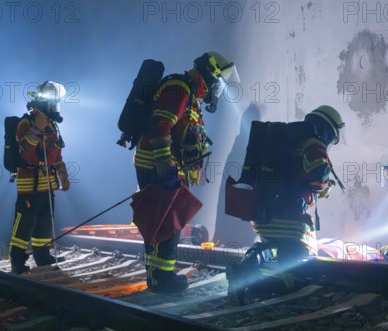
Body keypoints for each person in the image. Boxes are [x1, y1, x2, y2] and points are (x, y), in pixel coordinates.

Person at [135, 51, 239, 293]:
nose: (217, 89)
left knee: (163, 221)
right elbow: (160, 125)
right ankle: (163, 279)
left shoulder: (188, 92)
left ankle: (159, 276)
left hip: (168, 166)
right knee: (166, 222)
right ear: (210, 73)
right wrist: (164, 163)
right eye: (218, 81)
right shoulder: (178, 88)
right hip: (159, 165)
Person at [233, 105, 346, 295]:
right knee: (299, 269)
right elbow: (318, 176)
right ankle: (257, 286)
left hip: (265, 215)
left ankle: (246, 265)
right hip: (290, 221)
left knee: (272, 247)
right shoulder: (313, 145)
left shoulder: (289, 140)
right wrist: (327, 186)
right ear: (327, 129)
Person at [9, 81, 70, 274]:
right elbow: (24, 151)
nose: (53, 104)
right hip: (29, 183)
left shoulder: (51, 124)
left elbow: (55, 152)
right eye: (50, 100)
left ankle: (43, 256)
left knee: (44, 221)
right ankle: (17, 260)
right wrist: (37, 127)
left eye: (55, 100)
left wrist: (62, 172)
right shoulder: (27, 122)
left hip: (47, 184)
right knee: (25, 222)